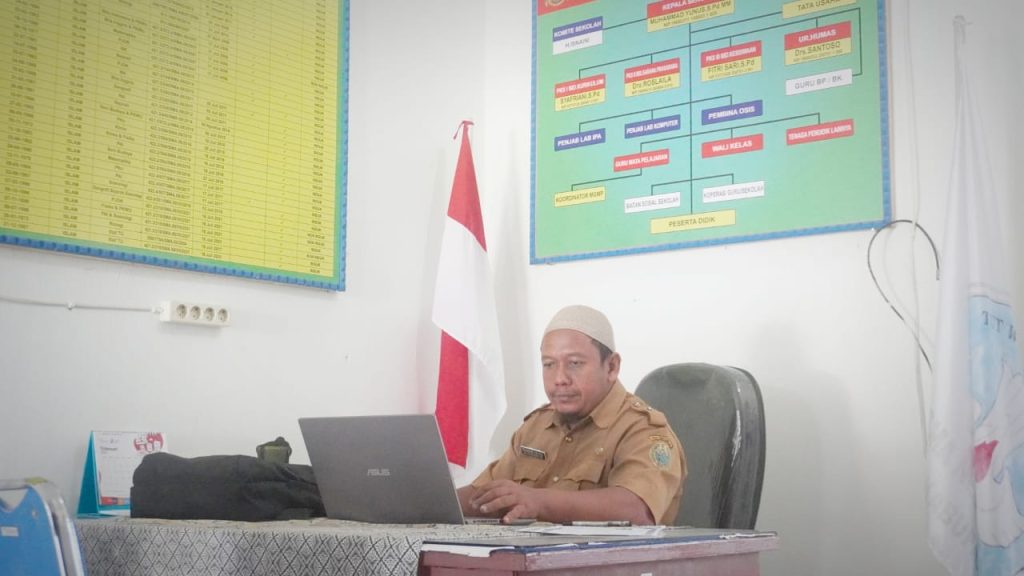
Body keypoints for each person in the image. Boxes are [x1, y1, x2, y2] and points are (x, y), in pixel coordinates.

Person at [457, 305, 686, 525]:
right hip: (533, 552)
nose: (560, 379)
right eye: (549, 364)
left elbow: (636, 509)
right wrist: (439, 502)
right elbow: (486, 495)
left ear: (611, 367)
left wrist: (538, 501)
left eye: (575, 363)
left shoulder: (643, 430)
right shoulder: (536, 427)